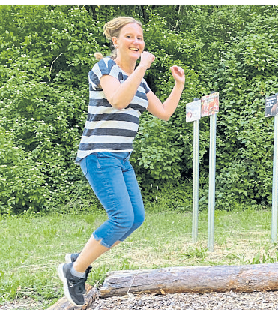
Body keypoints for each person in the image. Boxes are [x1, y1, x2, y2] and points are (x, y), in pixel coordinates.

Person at [57, 16, 185, 306]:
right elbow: (117, 100)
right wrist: (140, 69)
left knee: (135, 218)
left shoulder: (140, 81)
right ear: (115, 41)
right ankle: (75, 272)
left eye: (139, 38)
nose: (136, 42)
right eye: (129, 37)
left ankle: (81, 258)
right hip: (99, 154)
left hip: (121, 158)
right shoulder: (105, 68)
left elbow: (163, 112)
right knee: (122, 217)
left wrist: (178, 86)